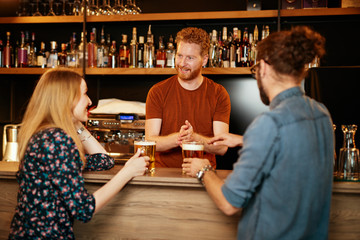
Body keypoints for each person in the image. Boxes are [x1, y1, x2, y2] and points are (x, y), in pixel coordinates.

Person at [183, 26, 334, 240]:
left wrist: (204, 169)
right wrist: (247, 141)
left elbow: (229, 203)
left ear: (263, 67)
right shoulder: (321, 114)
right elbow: (298, 153)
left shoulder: (269, 124)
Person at [8, 69, 149, 239]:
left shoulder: (45, 135)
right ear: (67, 99)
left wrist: (76, 122)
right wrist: (128, 172)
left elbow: (103, 160)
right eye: (85, 94)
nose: (89, 101)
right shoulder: (57, 140)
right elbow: (83, 209)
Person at [145, 27, 231, 168]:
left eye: (190, 58)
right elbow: (150, 141)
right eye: (179, 55)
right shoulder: (157, 91)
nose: (182, 63)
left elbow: (221, 148)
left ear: (204, 60)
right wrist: (179, 138)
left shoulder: (218, 93)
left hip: (203, 176)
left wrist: (194, 138)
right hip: (162, 178)